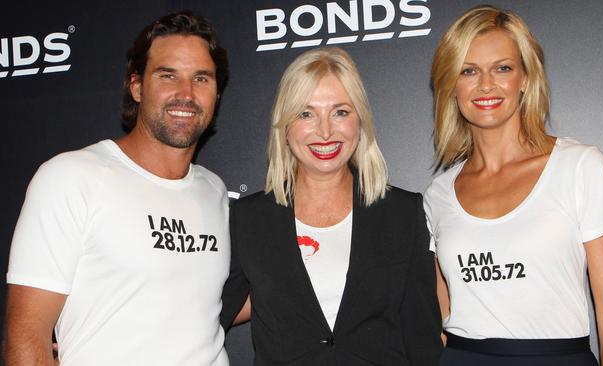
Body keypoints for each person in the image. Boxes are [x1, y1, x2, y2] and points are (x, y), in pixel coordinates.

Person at [4, 11, 231, 366]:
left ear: (216, 93)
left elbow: (209, 302)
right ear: (137, 86)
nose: (186, 94)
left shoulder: (214, 191)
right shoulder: (70, 177)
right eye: (168, 75)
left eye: (201, 78)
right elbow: (26, 337)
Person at [424, 5, 603, 366]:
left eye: (502, 68)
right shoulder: (438, 194)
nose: (486, 85)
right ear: (451, 84)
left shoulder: (579, 166)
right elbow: (443, 310)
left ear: (525, 78)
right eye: (468, 71)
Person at [221, 47, 442, 365]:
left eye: (340, 112)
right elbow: (206, 321)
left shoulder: (404, 213)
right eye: (305, 114)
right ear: (284, 127)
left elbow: (423, 340)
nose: (325, 131)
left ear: (360, 122)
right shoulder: (248, 220)